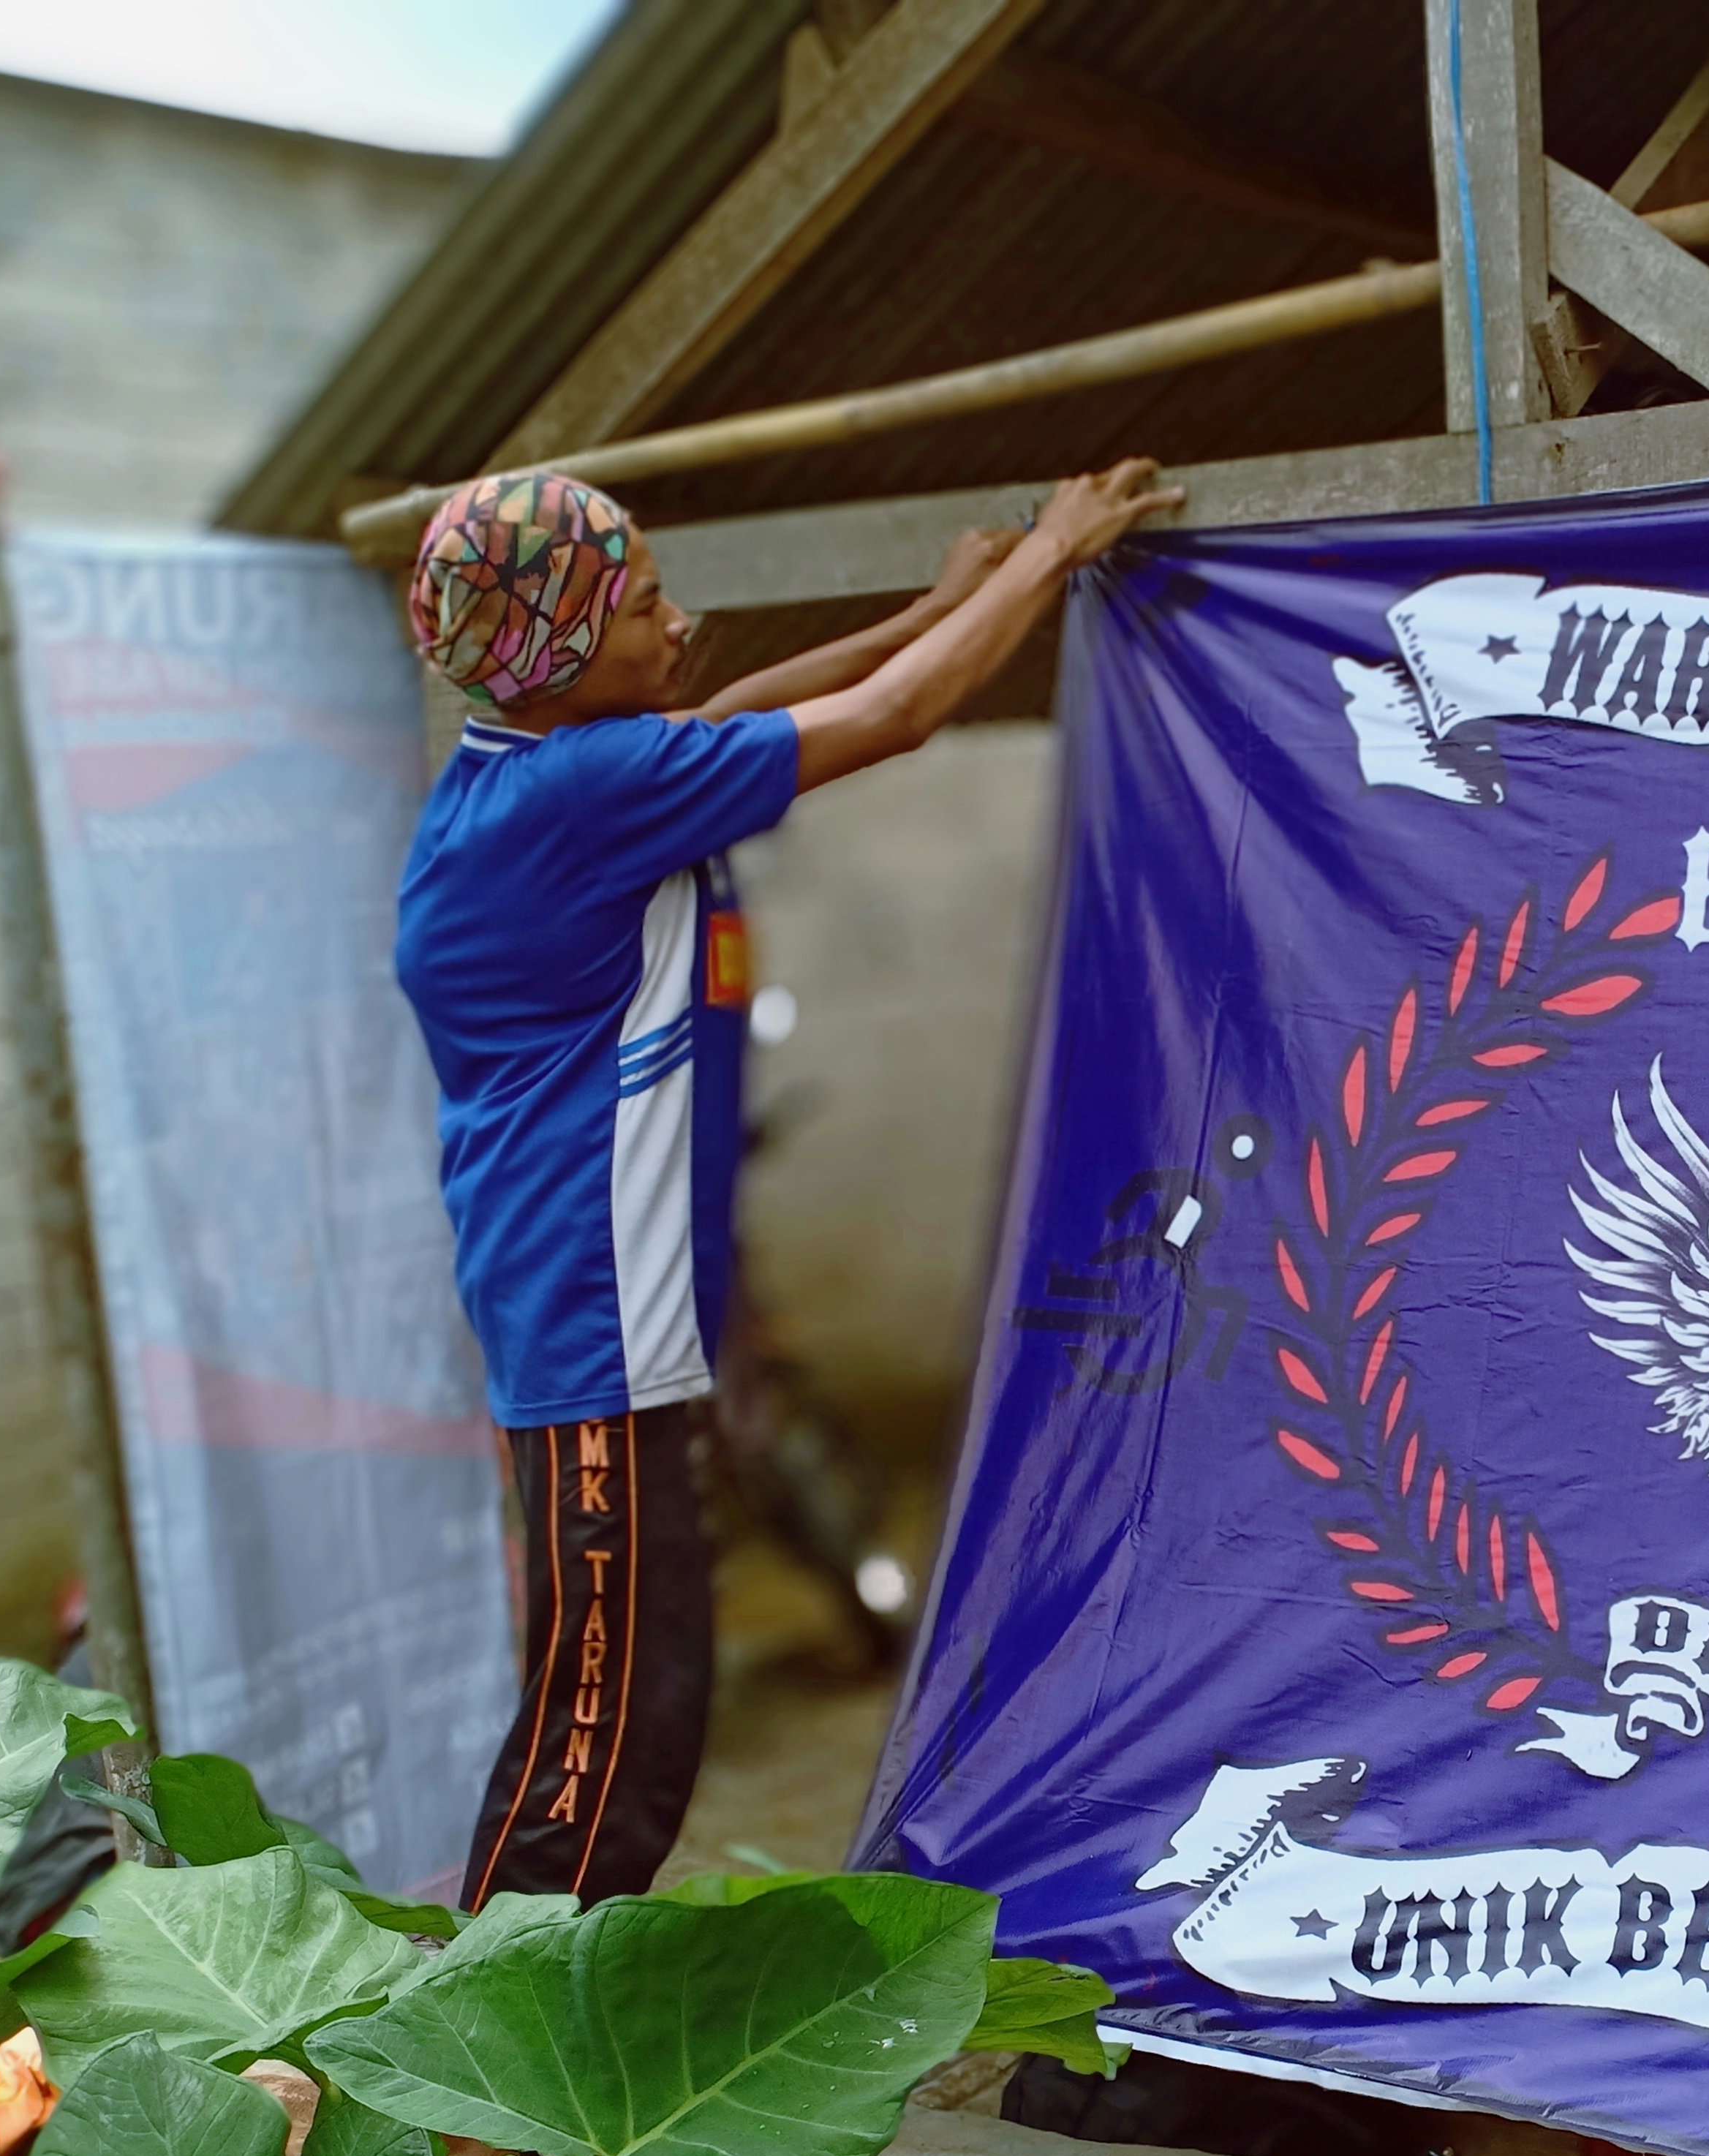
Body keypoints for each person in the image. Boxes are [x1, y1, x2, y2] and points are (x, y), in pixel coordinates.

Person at [394, 457, 1184, 1904]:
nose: (676, 619)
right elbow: (894, 720)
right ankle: (480, 2043)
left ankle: (532, 2005)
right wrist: (1049, 556)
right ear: (564, 646)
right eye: (639, 603)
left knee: (643, 1703)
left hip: (596, 1314)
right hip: (592, 1325)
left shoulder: (533, 774)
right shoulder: (581, 795)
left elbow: (743, 714)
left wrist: (931, 605)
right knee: (601, 1736)